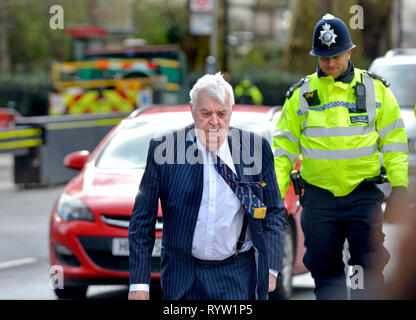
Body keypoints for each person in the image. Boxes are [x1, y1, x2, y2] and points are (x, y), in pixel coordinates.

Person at [273, 14, 409, 300]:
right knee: (325, 272)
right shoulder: (301, 95)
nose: (330, 63)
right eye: (324, 58)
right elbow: (283, 151)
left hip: (361, 197)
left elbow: (394, 144)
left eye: (336, 55)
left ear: (349, 52)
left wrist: (399, 188)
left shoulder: (376, 91)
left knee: (364, 270)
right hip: (320, 199)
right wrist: (275, 191)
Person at [128, 72, 287, 300]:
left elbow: (273, 212)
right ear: (192, 109)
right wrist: (139, 283)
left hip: (238, 276)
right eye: (205, 113)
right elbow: (142, 222)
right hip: (183, 276)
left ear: (231, 111)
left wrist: (271, 268)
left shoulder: (255, 149)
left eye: (222, 113)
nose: (214, 121)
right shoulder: (164, 151)